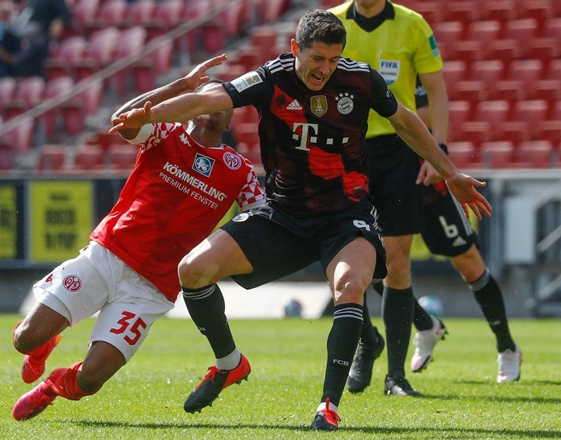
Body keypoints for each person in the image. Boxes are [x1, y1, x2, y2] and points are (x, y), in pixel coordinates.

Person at [110, 10, 491, 431]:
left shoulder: (360, 80)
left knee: (350, 288)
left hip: (346, 218)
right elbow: (206, 100)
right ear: (296, 49)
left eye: (333, 59)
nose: (325, 69)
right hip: (283, 215)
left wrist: (450, 172)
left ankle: (328, 406)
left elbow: (403, 119)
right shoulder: (271, 78)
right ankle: (229, 362)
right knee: (192, 270)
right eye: (317, 58)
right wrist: (151, 114)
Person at [10, 55, 267, 421]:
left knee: (90, 380)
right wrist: (181, 86)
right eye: (205, 99)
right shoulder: (165, 134)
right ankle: (42, 345)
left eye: (223, 103)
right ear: (191, 107)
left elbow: (262, 217)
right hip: (106, 257)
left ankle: (51, 387)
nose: (214, 106)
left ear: (230, 119)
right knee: (25, 339)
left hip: (151, 290)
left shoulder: (239, 170)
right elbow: (122, 119)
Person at [330, 0, 453, 397]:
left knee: (397, 262)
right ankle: (368, 341)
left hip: (398, 152)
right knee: (341, 257)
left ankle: (396, 377)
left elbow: (436, 89)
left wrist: (439, 150)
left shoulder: (412, 24)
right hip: (342, 151)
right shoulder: (331, 23)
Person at [368, 78, 521, 384]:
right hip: (386, 182)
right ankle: (426, 325)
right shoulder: (354, 70)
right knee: (379, 267)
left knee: (469, 264)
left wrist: (434, 154)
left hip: (425, 180)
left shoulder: (407, 68)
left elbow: (424, 113)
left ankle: (507, 347)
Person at [10, 0, 70, 78]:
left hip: (41, 34)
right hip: (23, 34)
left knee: (26, 56)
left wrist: (59, 21)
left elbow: (64, 15)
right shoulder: (31, 2)